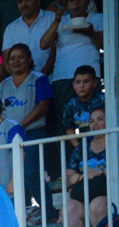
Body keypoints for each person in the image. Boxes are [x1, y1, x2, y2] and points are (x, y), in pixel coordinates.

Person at [38, 0, 104, 134]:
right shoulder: (62, 20)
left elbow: (105, 44)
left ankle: (93, 146)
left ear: (87, 2)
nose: (76, 3)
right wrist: (57, 21)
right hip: (63, 77)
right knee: (65, 122)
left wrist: (90, 33)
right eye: (72, 0)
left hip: (90, 75)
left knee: (94, 117)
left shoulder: (98, 18)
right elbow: (43, 44)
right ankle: (71, 148)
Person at [64, 107, 107, 227]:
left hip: (108, 196)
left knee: (96, 205)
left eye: (100, 119)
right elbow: (68, 176)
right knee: (69, 207)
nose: (95, 124)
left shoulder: (115, 142)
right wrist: (73, 177)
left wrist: (101, 171)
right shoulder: (81, 148)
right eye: (92, 121)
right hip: (84, 196)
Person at [2, 0, 55, 74]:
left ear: (38, 1)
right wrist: (21, 78)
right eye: (20, 2)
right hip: (22, 80)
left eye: (28, 0)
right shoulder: (11, 28)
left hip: (50, 77)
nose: (24, 4)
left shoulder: (52, 18)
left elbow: (56, 51)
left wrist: (41, 76)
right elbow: (7, 60)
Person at [61, 66, 104, 146]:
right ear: (73, 85)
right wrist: (78, 147)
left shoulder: (103, 100)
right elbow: (69, 128)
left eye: (86, 81)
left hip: (104, 142)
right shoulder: (70, 104)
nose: (81, 86)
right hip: (83, 145)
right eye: (78, 82)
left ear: (94, 83)